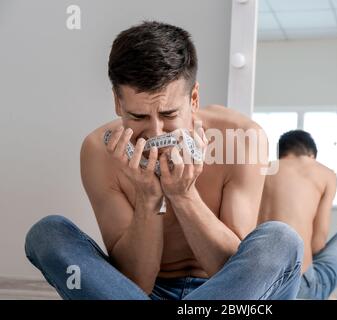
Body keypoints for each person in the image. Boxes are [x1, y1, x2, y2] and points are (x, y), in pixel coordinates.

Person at [24, 21, 303, 300]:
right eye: (139, 117)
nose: (156, 133)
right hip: (143, 294)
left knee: (281, 239)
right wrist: (148, 199)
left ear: (193, 99)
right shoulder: (99, 150)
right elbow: (135, 284)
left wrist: (182, 194)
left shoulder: (242, 138)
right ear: (118, 104)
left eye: (169, 114)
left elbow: (234, 275)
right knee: (47, 234)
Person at [258, 130, 337, 299]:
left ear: (281, 154)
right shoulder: (325, 173)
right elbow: (317, 243)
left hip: (257, 283)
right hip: (297, 285)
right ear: (311, 154)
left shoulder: (261, 170)